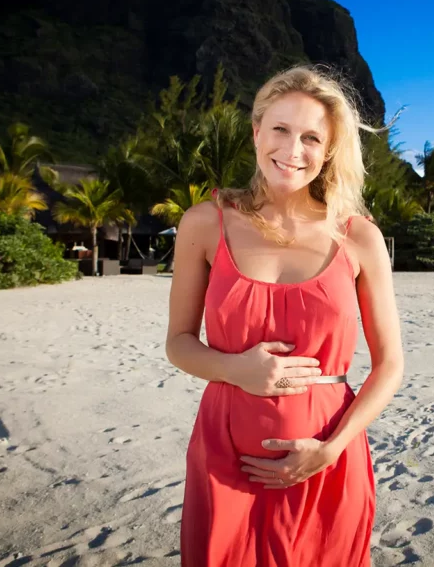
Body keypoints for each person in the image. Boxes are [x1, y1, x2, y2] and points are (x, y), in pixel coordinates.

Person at [164, 65, 404, 566]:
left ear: (330, 150)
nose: (293, 150)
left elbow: (390, 366)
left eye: (312, 137)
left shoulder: (359, 237)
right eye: (280, 129)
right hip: (223, 456)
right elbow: (179, 342)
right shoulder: (205, 223)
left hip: (326, 460)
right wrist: (235, 369)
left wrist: (331, 448)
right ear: (256, 133)